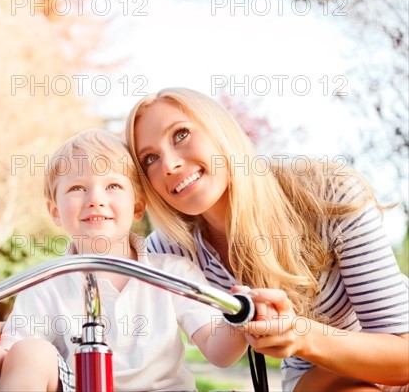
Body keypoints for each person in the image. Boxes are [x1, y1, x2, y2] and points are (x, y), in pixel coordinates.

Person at [0, 129, 250, 391]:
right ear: (55, 211)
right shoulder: (42, 284)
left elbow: (220, 351)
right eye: (77, 188)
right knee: (29, 352)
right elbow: (2, 373)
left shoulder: (172, 272)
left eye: (113, 186)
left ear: (137, 207)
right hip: (79, 384)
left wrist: (244, 316)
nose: (95, 199)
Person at [123, 87, 409, 391]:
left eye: (180, 135)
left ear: (220, 131)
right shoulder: (170, 252)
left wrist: (301, 335)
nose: (169, 165)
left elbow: (402, 357)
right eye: (149, 158)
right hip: (320, 381)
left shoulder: (328, 195)